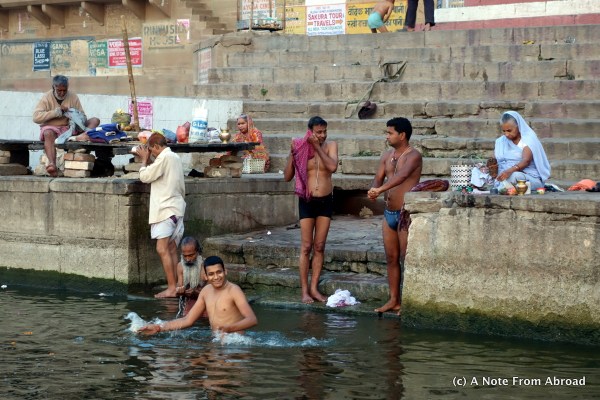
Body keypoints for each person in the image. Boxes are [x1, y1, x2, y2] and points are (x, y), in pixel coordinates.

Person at [368, 117, 422, 314]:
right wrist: (373, 190)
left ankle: (407, 301)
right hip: (388, 213)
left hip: (404, 214)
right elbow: (378, 177)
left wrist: (380, 189)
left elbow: (402, 177)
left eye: (390, 133)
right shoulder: (386, 155)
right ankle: (393, 300)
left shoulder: (414, 156)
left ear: (402, 135)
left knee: (403, 257)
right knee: (390, 258)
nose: (387, 136)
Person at [283, 116, 338, 304]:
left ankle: (314, 288)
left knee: (319, 246)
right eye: (318, 132)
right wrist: (292, 154)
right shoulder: (299, 146)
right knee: (306, 247)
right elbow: (287, 176)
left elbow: (332, 167)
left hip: (325, 200)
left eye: (324, 132)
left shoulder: (331, 146)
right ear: (310, 131)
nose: (322, 135)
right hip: (306, 200)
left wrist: (317, 147)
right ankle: (304, 291)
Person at [138, 256, 258, 335]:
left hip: (235, 345)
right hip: (216, 342)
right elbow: (187, 320)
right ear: (205, 276)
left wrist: (228, 329)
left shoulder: (234, 290)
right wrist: (159, 328)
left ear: (225, 271)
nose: (216, 277)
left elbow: (252, 320)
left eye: (219, 272)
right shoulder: (206, 291)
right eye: (211, 274)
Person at [136, 133, 186, 299]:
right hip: (176, 209)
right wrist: (150, 160)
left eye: (152, 150)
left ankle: (172, 288)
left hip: (166, 209)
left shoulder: (165, 157)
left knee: (161, 248)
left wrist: (143, 160)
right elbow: (157, 172)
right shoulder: (174, 157)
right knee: (171, 248)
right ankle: (178, 286)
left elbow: (145, 176)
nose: (152, 153)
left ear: (157, 147)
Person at [32, 75, 100, 176]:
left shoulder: (73, 96)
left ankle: (81, 137)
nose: (62, 93)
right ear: (53, 87)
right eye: (59, 90)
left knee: (95, 120)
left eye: (65, 90)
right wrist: (56, 112)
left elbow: (83, 116)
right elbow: (36, 117)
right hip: (52, 128)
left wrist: (73, 114)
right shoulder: (46, 97)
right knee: (48, 133)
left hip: (70, 128)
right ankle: (52, 164)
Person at [495, 111, 551, 191]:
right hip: (505, 176)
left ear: (518, 126)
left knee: (515, 176)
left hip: (529, 178)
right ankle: (502, 187)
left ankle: (501, 188)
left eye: (509, 130)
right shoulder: (501, 141)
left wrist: (509, 171)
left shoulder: (528, 139)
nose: (506, 134)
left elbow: (526, 160)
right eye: (504, 131)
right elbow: (499, 161)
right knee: (478, 172)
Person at [175, 236, 207, 317]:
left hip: (205, 306)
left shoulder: (206, 265)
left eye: (191, 255)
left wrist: (195, 292)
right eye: (185, 256)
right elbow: (179, 288)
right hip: (188, 307)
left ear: (197, 252)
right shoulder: (180, 266)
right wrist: (179, 291)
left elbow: (212, 293)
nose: (188, 259)